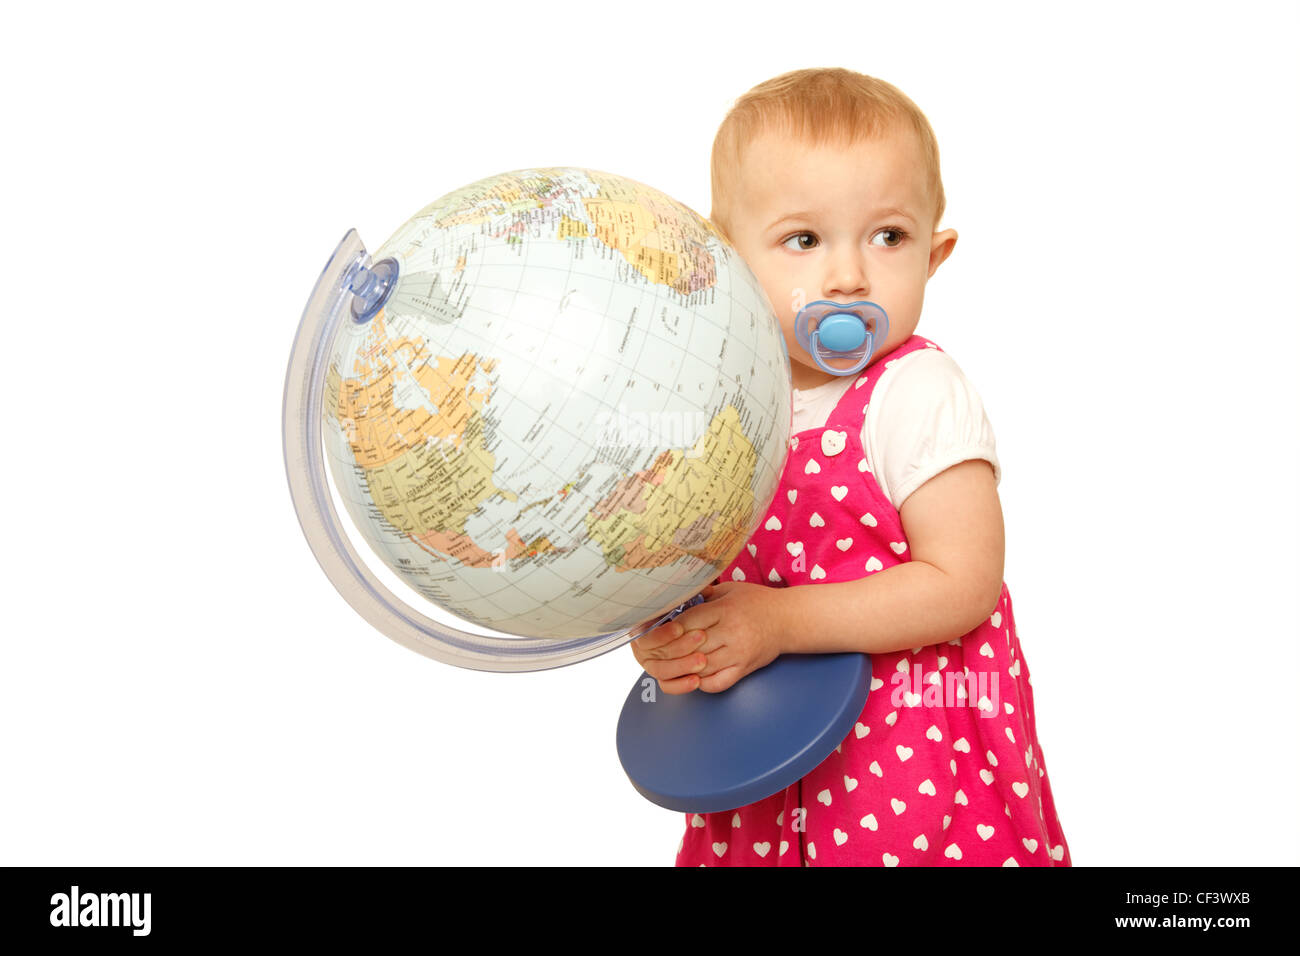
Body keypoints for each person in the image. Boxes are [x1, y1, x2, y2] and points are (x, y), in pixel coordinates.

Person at [631, 68, 1072, 866]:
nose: (848, 277)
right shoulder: (722, 407)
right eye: (804, 239)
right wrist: (681, 637)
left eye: (889, 237)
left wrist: (779, 622)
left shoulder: (916, 392)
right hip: (762, 774)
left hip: (910, 765)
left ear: (934, 255)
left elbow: (963, 580)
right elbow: (695, 570)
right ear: (727, 256)